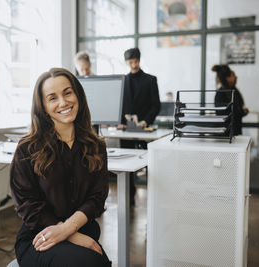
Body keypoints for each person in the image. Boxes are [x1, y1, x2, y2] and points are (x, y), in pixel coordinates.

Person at [10, 68, 111, 267]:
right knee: (91, 263)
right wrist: (68, 233)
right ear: (43, 107)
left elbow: (97, 199)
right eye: (52, 98)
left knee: (97, 263)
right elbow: (27, 203)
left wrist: (67, 230)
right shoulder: (27, 148)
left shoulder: (95, 146)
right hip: (40, 237)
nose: (63, 103)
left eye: (67, 93)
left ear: (78, 95)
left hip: (83, 231)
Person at [119, 48, 161, 205]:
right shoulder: (123, 81)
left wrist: (145, 121)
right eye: (130, 62)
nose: (134, 65)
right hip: (127, 130)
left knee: (150, 163)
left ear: (139, 60)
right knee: (126, 163)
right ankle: (129, 196)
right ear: (126, 63)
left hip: (145, 129)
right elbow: (121, 106)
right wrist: (120, 122)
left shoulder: (150, 80)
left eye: (135, 61)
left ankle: (154, 197)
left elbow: (156, 106)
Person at [212, 64, 249, 135]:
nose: (236, 77)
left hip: (235, 132)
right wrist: (242, 112)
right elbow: (226, 115)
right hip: (226, 134)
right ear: (227, 78)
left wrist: (242, 112)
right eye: (233, 75)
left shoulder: (233, 91)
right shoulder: (221, 94)